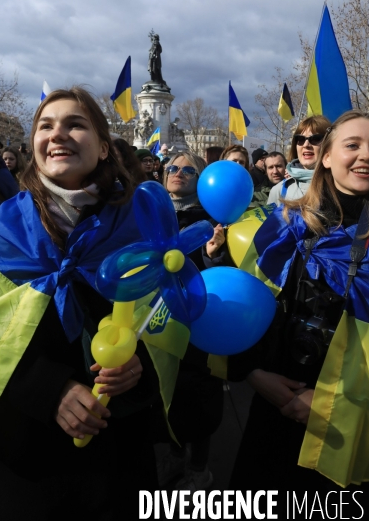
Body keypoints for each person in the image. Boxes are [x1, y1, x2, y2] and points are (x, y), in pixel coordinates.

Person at [229, 110, 369, 520]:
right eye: (353, 144)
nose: (367, 155)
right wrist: (253, 372)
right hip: (274, 405)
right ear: (325, 157)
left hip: (351, 421)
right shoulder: (283, 223)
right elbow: (236, 310)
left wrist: (330, 401)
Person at [0, 88, 160, 519]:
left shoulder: (140, 225)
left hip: (120, 448)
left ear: (105, 147)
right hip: (28, 453)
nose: (58, 134)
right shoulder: (3, 227)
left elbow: (167, 319)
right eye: (45, 126)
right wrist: (49, 389)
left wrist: (141, 363)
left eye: (75, 124)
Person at [157, 152, 224, 493]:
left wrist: (214, 255)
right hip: (156, 321)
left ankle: (199, 469)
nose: (177, 173)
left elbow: (223, 276)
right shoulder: (150, 215)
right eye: (172, 168)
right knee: (167, 392)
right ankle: (173, 454)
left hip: (197, 321)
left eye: (187, 170)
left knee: (198, 396)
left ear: (201, 180)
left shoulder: (211, 221)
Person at [267, 115, 331, 205]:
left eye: (315, 139)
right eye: (300, 139)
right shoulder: (279, 190)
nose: (306, 145)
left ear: (329, 144)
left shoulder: (341, 186)